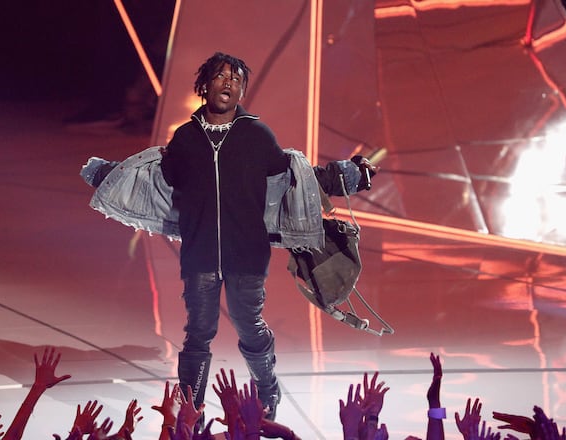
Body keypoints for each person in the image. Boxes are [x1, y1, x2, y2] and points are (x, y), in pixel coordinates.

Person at [81, 51, 377, 423]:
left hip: (247, 256)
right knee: (198, 334)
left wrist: (348, 176)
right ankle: (192, 412)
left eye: (236, 80)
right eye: (221, 77)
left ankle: (268, 393)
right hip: (199, 255)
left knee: (249, 326)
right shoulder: (185, 138)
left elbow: (297, 177)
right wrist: (109, 174)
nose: (229, 84)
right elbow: (157, 179)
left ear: (241, 91)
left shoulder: (257, 135)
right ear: (204, 85)